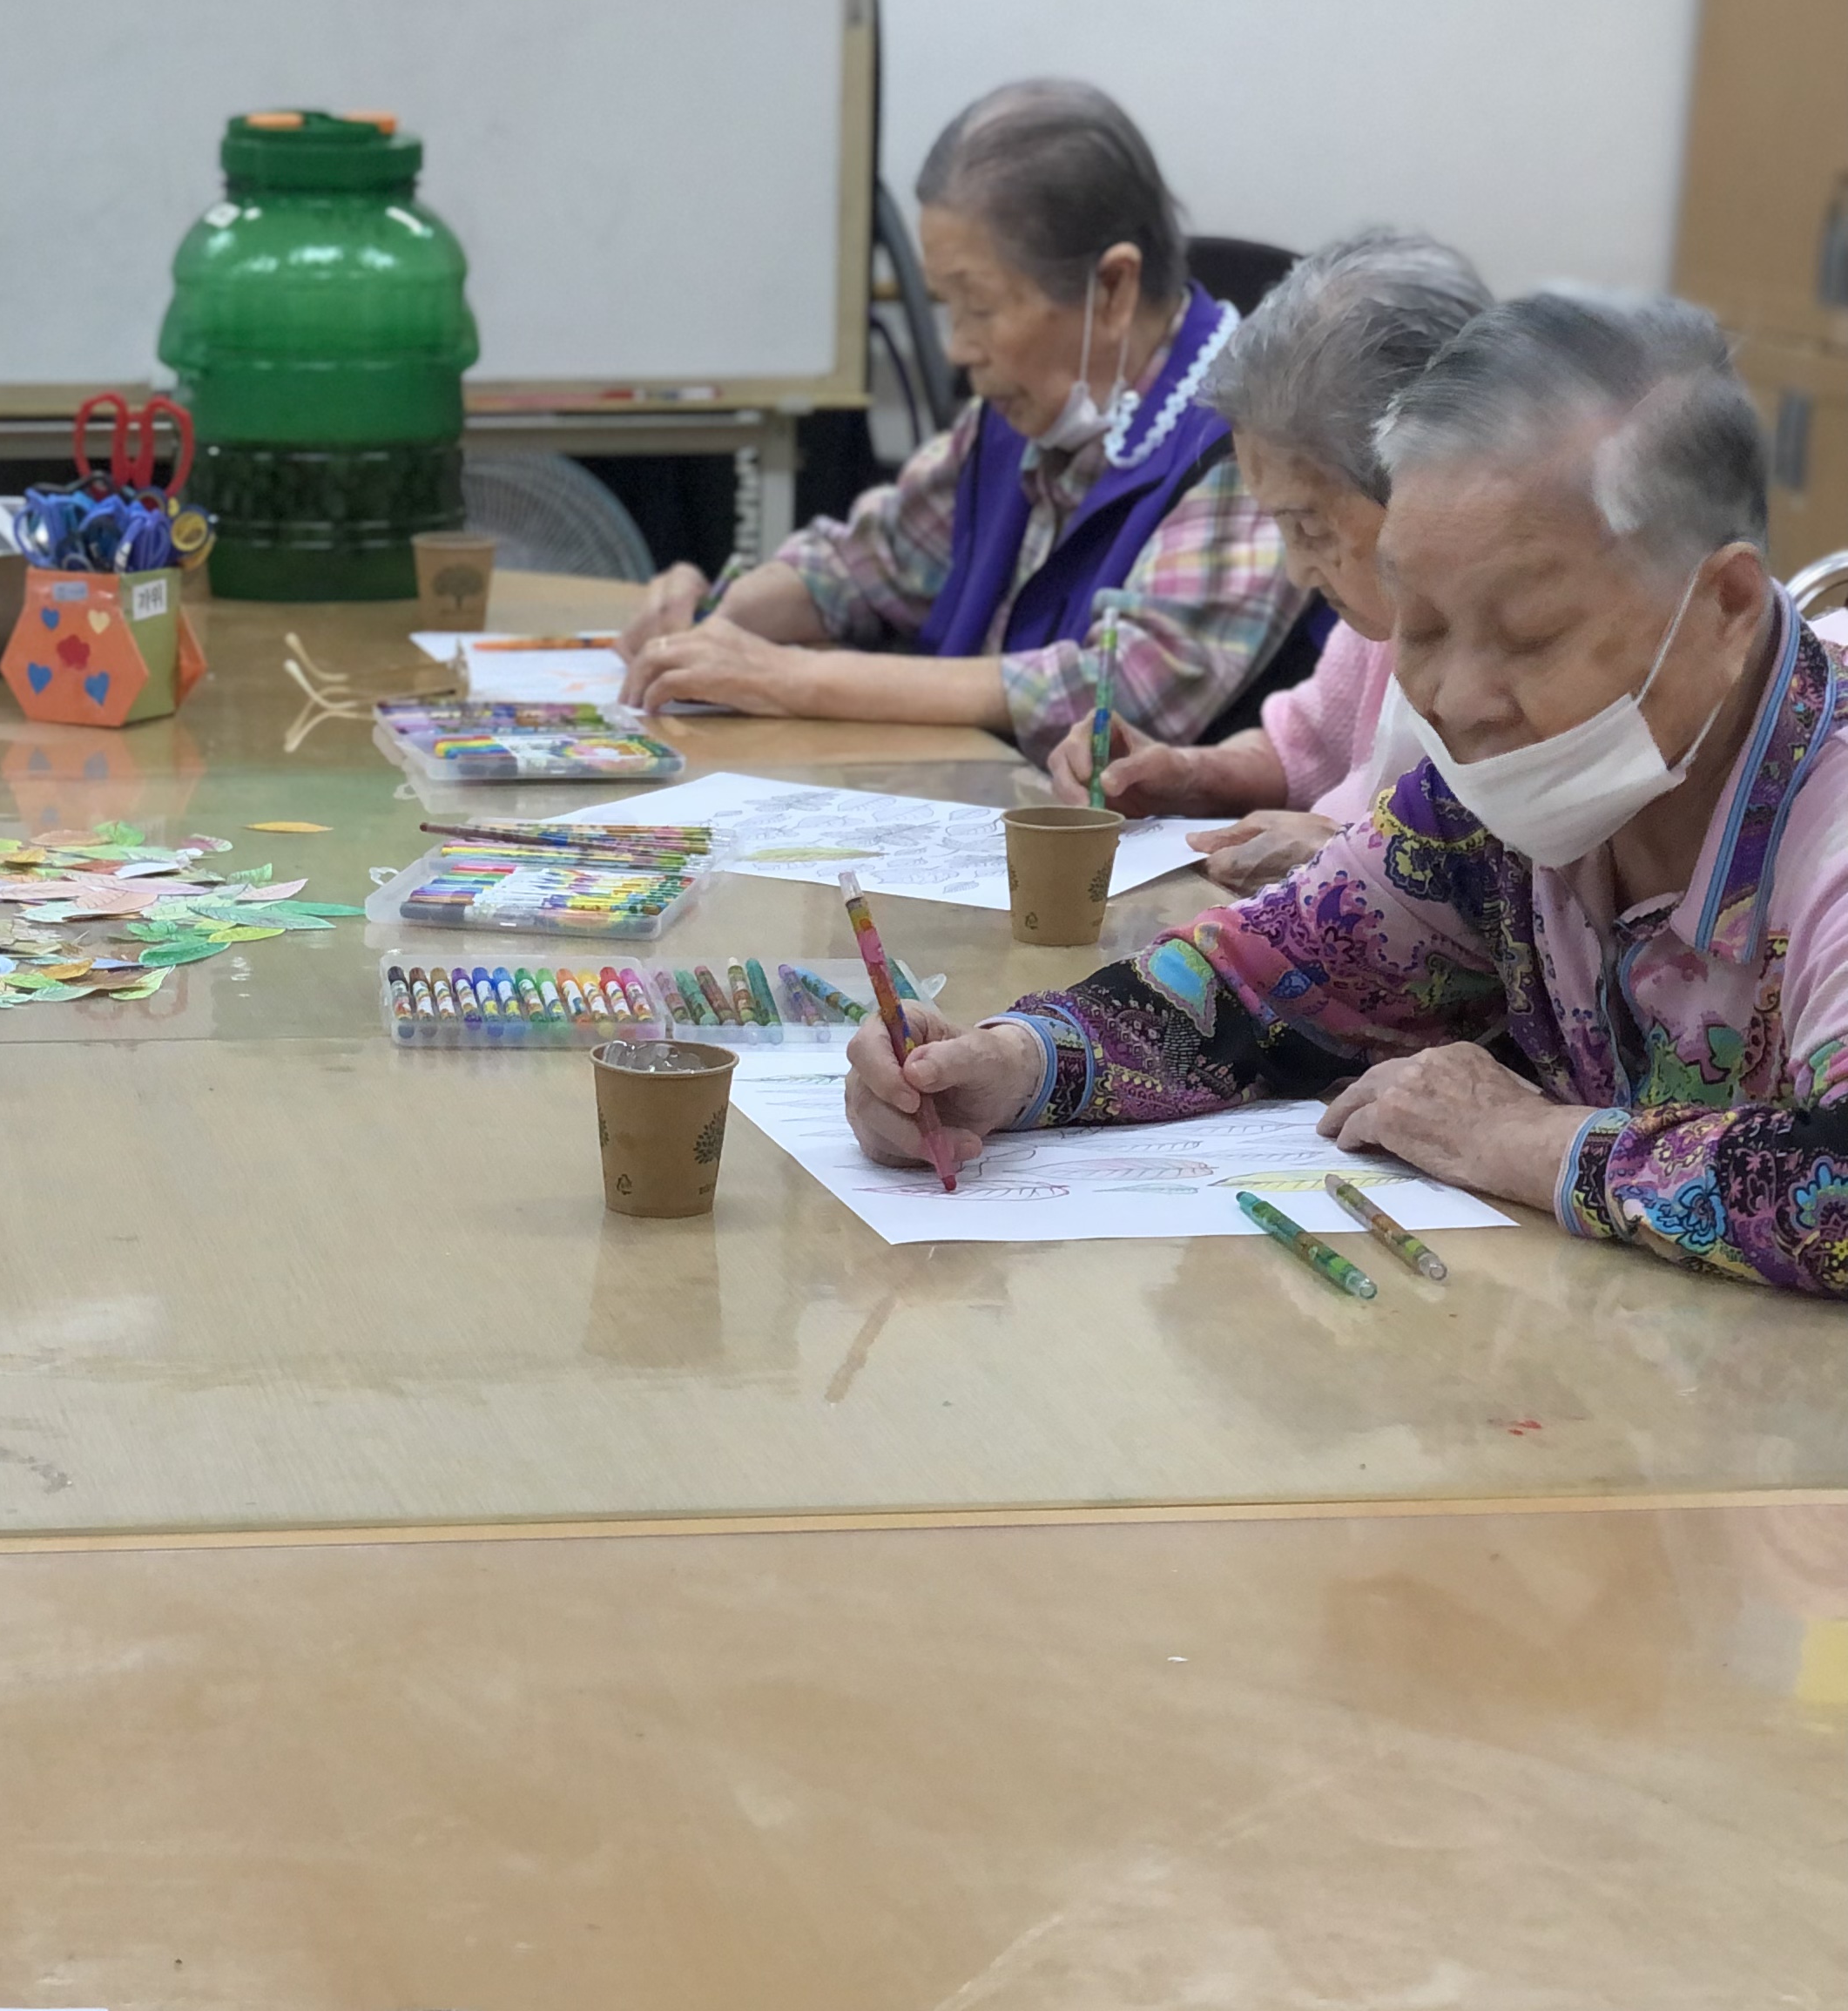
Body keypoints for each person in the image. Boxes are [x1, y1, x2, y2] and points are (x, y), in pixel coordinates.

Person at [844, 291, 1848, 1298]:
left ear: (1724, 606)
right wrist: (1013, 1065)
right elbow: (1258, 982)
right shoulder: (1499, 799)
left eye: (1530, 634)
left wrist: (1527, 1141)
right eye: (1421, 625)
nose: (1455, 700)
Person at [617, 80, 1312, 755]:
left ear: (1113, 287)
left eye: (979, 306)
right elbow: (867, 562)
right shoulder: (1021, 415)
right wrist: (716, 618)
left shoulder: (1250, 437)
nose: (958, 348)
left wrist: (793, 678)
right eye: (947, 306)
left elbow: (1122, 691)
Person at [1044, 231, 1492, 889]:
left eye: (1309, 528)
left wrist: (1351, 856)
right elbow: (1303, 746)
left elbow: (1522, 888)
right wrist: (1187, 776)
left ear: (1426, 479)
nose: (1296, 571)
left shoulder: (1517, 658)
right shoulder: (1384, 625)